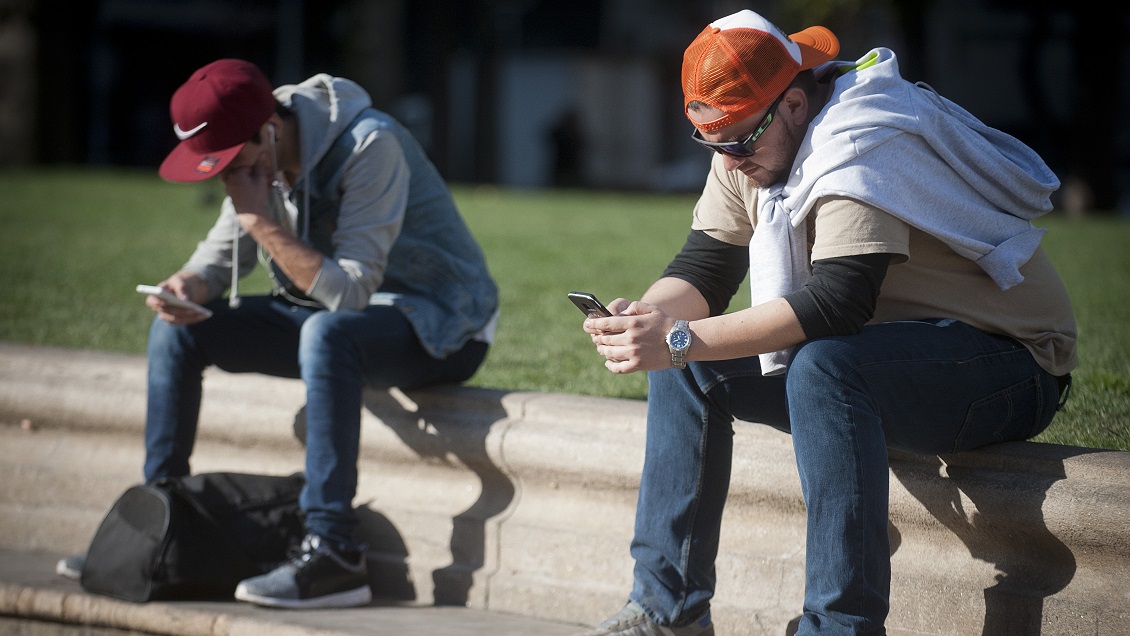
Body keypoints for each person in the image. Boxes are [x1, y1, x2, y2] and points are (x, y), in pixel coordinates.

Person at [575, 10, 1075, 636]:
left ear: (790, 104)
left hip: (1012, 365)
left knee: (821, 366)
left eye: (736, 142)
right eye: (712, 144)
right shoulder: (748, 141)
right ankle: (665, 610)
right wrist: (645, 321)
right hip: (889, 358)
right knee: (687, 366)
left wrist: (678, 339)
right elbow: (704, 268)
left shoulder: (862, 144)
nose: (728, 162)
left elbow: (837, 303)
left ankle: (841, 626)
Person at [60, 58, 500, 610]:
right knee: (177, 332)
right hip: (330, 320)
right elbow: (217, 263)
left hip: (441, 323)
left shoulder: (370, 145)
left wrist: (258, 220)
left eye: (227, 162)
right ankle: (157, 530)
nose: (224, 178)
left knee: (326, 332)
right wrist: (186, 286)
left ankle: (334, 551)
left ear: (268, 130)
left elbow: (350, 293)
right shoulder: (255, 159)